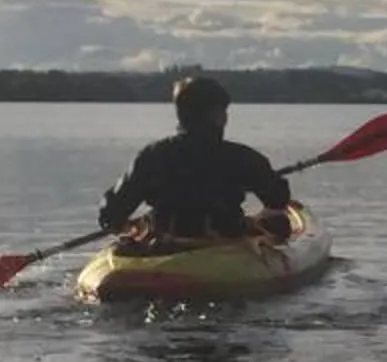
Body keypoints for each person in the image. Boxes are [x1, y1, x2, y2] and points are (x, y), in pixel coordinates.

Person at [99, 75, 292, 244]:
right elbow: (278, 199)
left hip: (164, 242)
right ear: (217, 116)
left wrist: (121, 224)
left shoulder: (152, 155)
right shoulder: (242, 158)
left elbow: (112, 213)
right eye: (223, 112)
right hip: (223, 241)